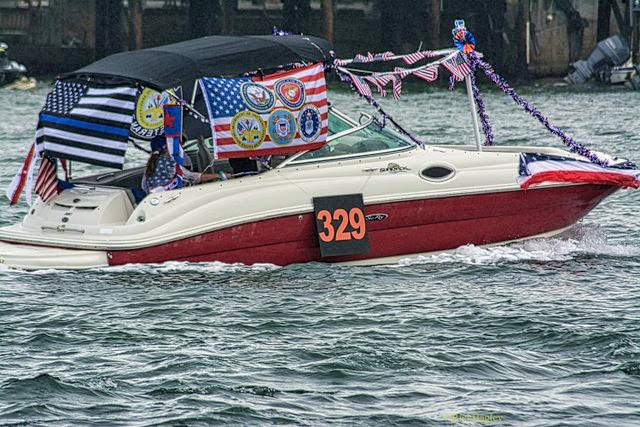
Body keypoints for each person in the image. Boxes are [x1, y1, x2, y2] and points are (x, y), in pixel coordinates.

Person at [141, 134, 228, 193]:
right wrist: (219, 175)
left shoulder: (152, 162)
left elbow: (144, 186)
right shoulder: (170, 162)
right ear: (167, 147)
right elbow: (193, 177)